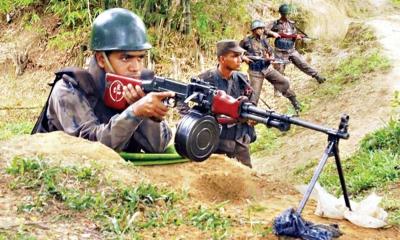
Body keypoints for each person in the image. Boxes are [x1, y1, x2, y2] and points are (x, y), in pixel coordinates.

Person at [32, 8, 173, 153]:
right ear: (101, 59)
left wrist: (148, 115)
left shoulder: (137, 86)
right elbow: (91, 148)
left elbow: (158, 146)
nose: (136, 68)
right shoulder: (69, 89)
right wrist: (134, 113)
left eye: (140, 58)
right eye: (126, 58)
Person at [197, 40, 257, 168]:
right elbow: (184, 103)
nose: (240, 60)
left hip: (239, 140)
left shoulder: (242, 78)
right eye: (234, 56)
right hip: (217, 142)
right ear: (222, 59)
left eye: (240, 56)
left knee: (248, 179)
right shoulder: (205, 79)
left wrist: (251, 116)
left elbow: (249, 101)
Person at [240, 20, 301, 114]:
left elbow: (270, 51)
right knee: (254, 95)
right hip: (255, 72)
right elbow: (237, 52)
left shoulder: (264, 40)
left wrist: (270, 57)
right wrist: (244, 58)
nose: (261, 30)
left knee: (283, 82)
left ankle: (295, 102)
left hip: (267, 68)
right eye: (259, 28)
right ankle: (250, 115)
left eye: (262, 28)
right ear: (254, 30)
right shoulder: (246, 41)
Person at [269, 3, 326, 83]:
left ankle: (317, 76)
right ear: (281, 13)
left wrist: (296, 37)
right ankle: (278, 92)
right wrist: (273, 33)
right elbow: (265, 31)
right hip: (279, 52)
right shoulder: (275, 23)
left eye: (288, 13)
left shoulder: (291, 24)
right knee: (279, 71)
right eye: (285, 14)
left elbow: (293, 35)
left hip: (291, 50)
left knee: (303, 64)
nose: (287, 15)